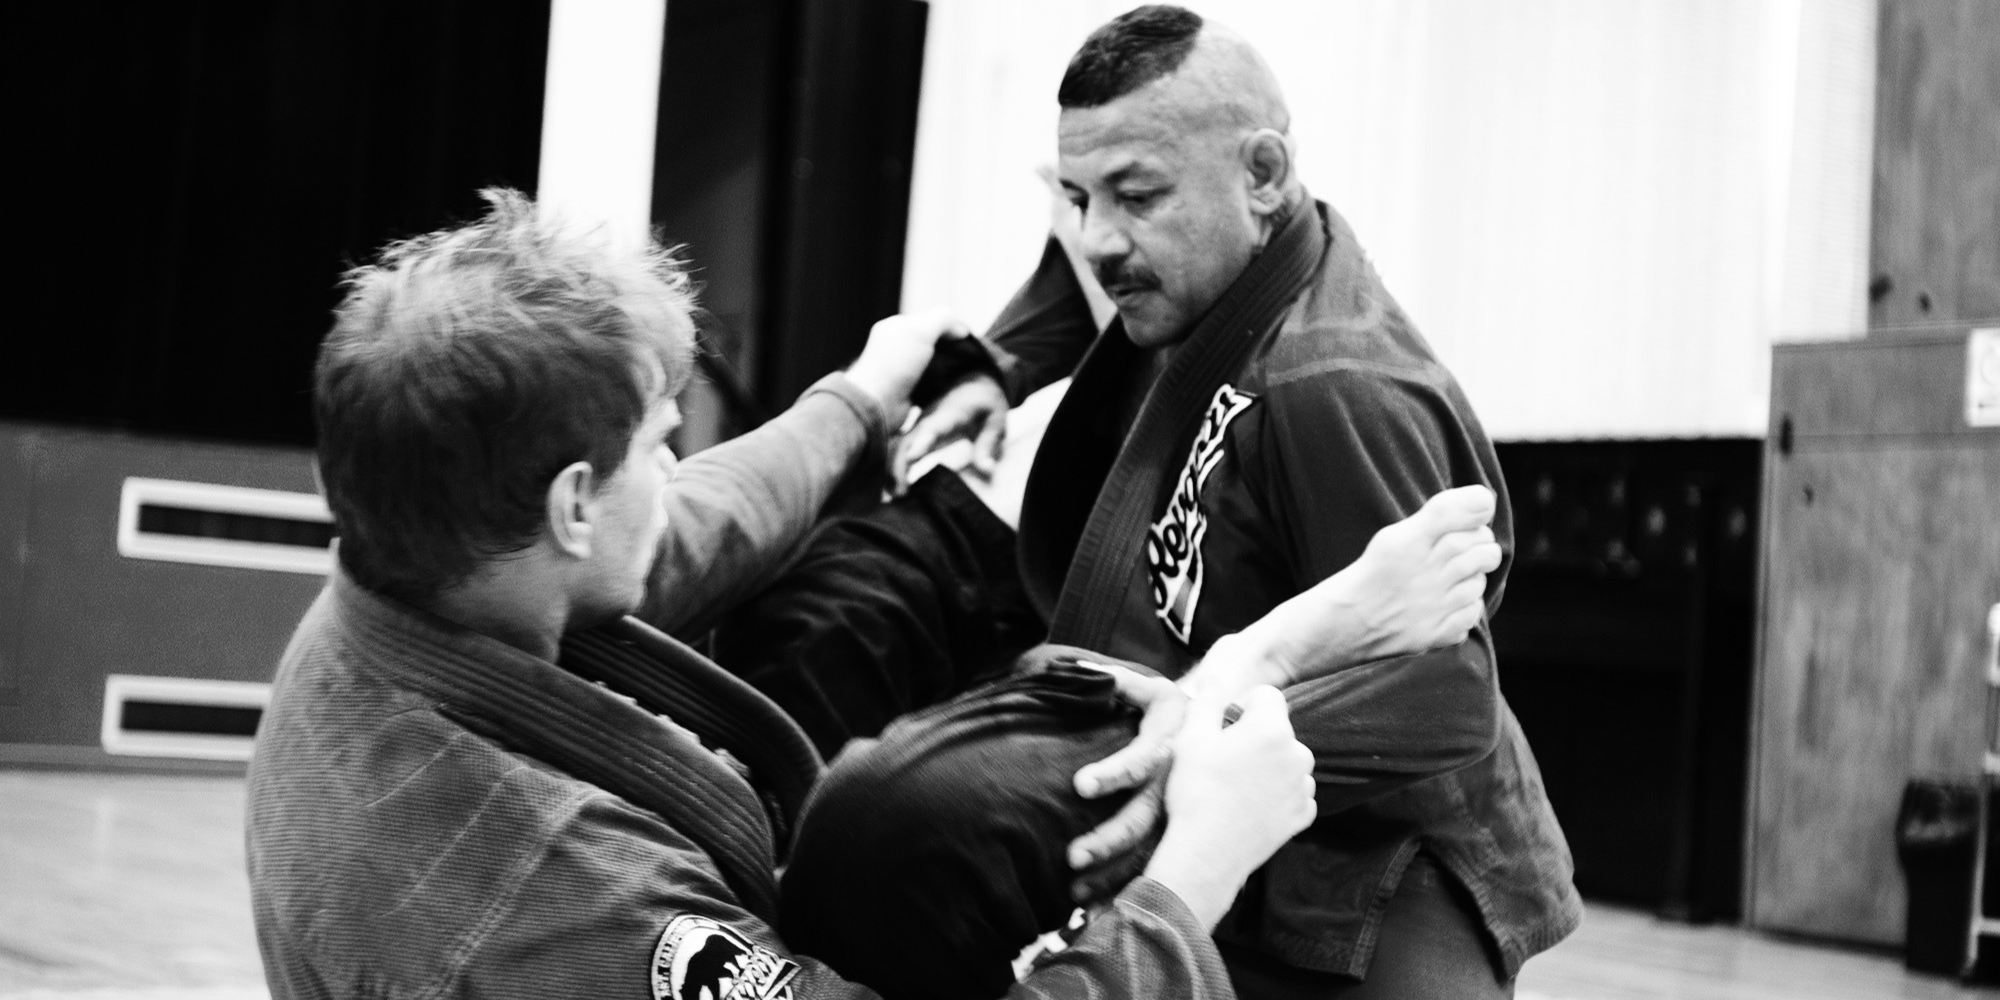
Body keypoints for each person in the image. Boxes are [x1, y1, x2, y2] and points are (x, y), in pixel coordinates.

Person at [245, 188, 1500, 1000]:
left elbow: (701, 522)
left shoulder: (415, 572)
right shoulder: (551, 901)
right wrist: (1193, 877)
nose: (673, 465)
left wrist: (860, 392)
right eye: (652, 442)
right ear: (574, 506)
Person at [895, 7, 1583, 997]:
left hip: (1384, 864)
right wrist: (996, 365)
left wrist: (1201, 747)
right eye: (1078, 195)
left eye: (1134, 195)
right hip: (1260, 814)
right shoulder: (1200, 270)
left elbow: (1445, 692)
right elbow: (1074, 271)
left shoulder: (1331, 383)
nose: (1098, 239)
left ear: (1262, 176)